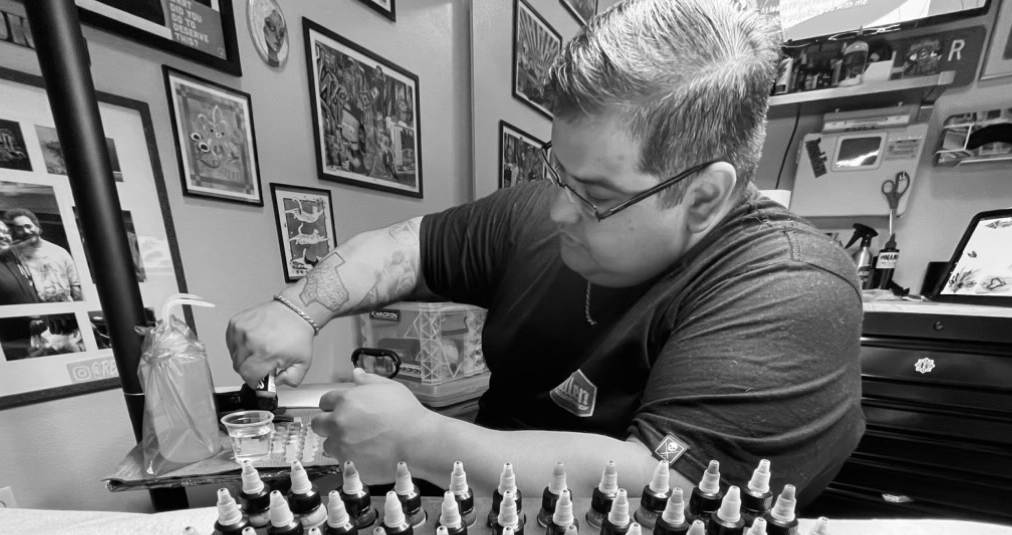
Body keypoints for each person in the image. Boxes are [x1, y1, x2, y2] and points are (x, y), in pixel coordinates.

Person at [226, 0, 864, 505]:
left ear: (703, 197)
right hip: (478, 529)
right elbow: (408, 246)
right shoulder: (539, 213)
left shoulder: (790, 285)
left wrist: (418, 439)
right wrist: (298, 307)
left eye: (596, 195)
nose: (559, 210)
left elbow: (663, 485)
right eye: (558, 170)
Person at [5, 208, 83, 302]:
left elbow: (75, 286)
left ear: (37, 227)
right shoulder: (12, 254)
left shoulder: (60, 252)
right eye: (19, 229)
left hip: (66, 306)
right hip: (35, 308)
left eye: (28, 226)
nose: (26, 231)